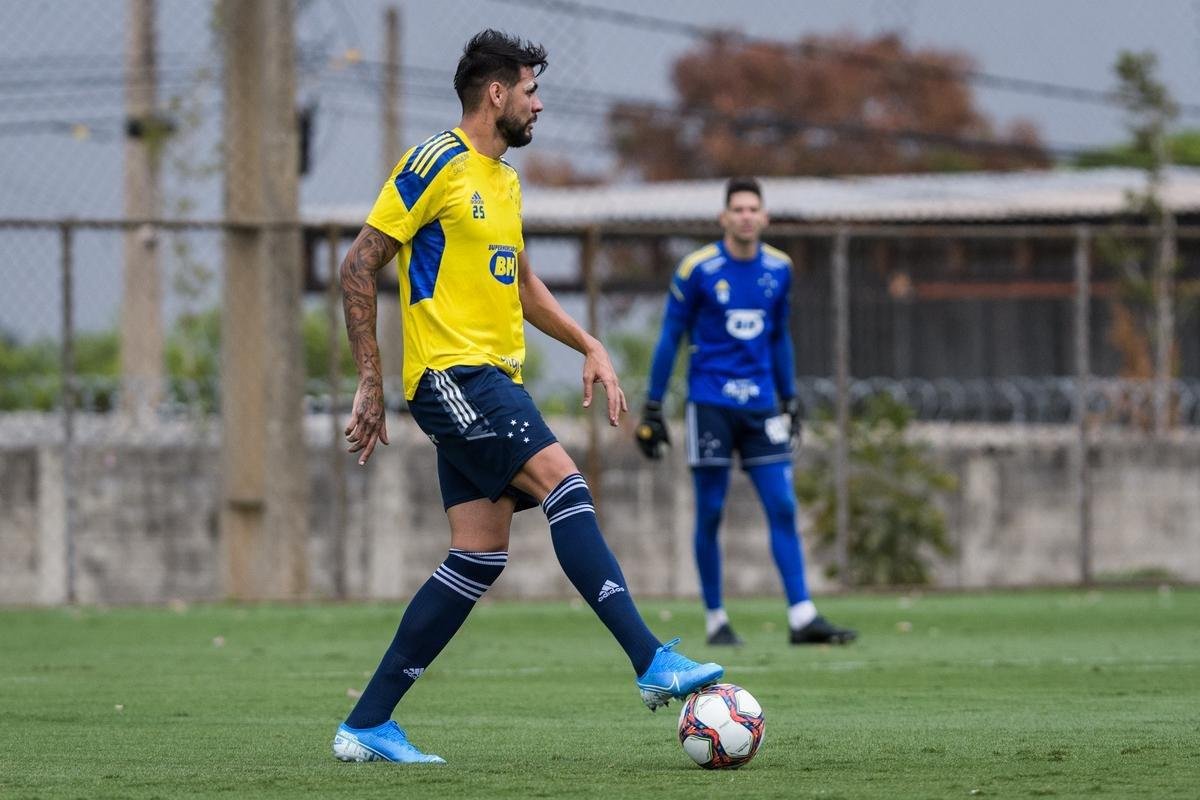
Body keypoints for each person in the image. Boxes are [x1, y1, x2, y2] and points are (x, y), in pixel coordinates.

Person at [332, 30, 722, 765]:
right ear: (496, 94)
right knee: (565, 485)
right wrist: (370, 381)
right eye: (532, 90)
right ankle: (649, 660)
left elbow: (521, 282)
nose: (540, 104)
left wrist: (589, 344)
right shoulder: (433, 164)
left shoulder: (506, 181)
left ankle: (368, 722)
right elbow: (358, 266)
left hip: (493, 380)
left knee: (477, 556)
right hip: (453, 377)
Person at [635, 177, 857, 648]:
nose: (745, 216)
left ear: (765, 217)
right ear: (724, 218)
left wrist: (790, 397)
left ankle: (802, 616)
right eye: (737, 208)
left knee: (783, 504)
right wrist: (653, 405)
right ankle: (716, 619)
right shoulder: (697, 268)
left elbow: (779, 337)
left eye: (753, 208)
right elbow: (670, 335)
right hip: (710, 404)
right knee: (711, 511)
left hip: (760, 408)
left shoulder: (780, 269)